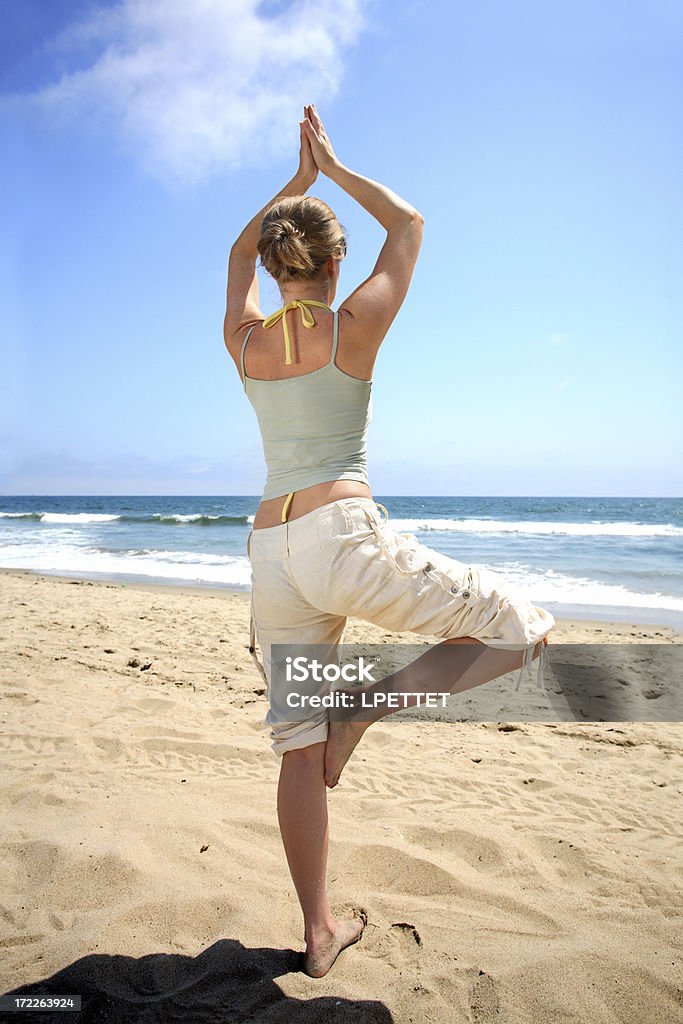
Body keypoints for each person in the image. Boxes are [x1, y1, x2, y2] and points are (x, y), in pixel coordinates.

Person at [223, 104, 554, 978]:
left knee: (297, 743)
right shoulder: (355, 323)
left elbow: (232, 257)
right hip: (342, 534)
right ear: (336, 264)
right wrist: (329, 170)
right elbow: (408, 223)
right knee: (518, 629)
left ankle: (318, 932)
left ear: (270, 264)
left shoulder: (245, 343)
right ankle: (366, 706)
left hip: (270, 548)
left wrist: (291, 189)